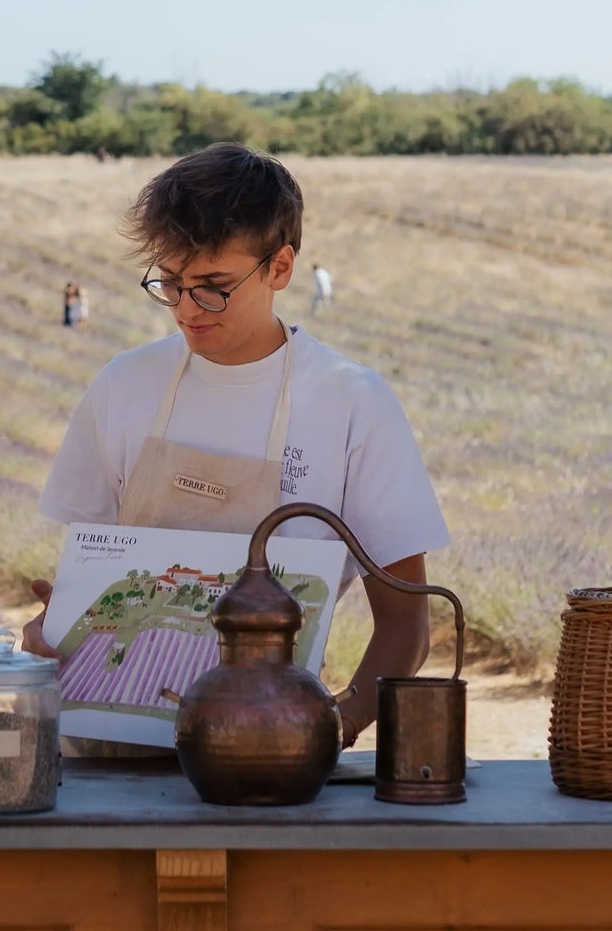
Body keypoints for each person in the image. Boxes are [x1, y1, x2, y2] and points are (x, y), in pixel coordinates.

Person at [25, 143, 443, 743]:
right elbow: (79, 580)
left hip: (268, 764)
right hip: (107, 758)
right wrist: (50, 631)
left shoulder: (352, 402)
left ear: (281, 267)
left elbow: (407, 627)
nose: (187, 309)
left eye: (213, 286)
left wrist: (334, 726)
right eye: (170, 285)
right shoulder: (124, 385)